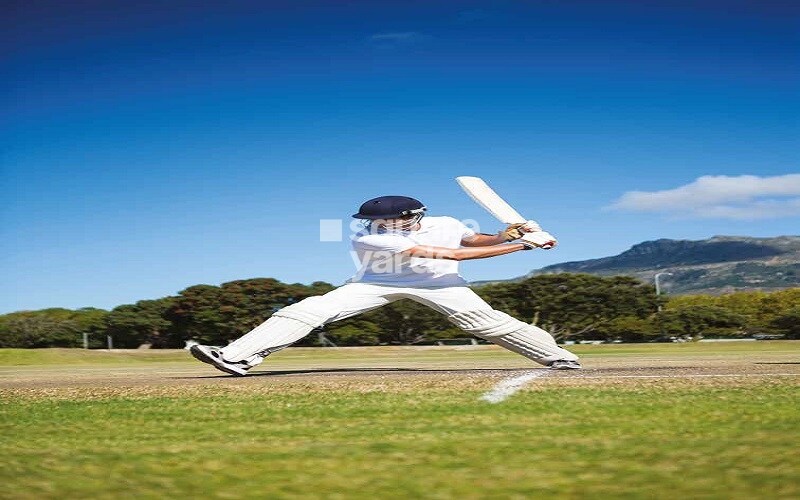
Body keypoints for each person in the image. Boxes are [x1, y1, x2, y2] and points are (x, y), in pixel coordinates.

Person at [190, 195, 580, 375]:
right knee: (306, 310)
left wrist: (504, 235)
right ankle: (236, 357)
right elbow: (453, 256)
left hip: (441, 286)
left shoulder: (444, 221)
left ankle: (557, 357)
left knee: (486, 324)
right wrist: (523, 244)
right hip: (375, 282)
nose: (374, 223)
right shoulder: (372, 238)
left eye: (391, 220)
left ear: (412, 216)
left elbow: (469, 242)